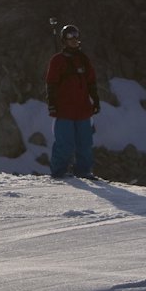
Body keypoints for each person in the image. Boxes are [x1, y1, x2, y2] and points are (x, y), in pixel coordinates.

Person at [45, 24, 100, 178]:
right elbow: (51, 84)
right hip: (64, 110)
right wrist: (52, 104)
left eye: (76, 35)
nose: (74, 39)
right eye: (70, 36)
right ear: (64, 40)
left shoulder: (83, 59)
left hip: (83, 109)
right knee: (65, 144)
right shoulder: (57, 60)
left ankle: (84, 171)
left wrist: (95, 100)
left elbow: (91, 82)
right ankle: (58, 172)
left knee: (85, 144)